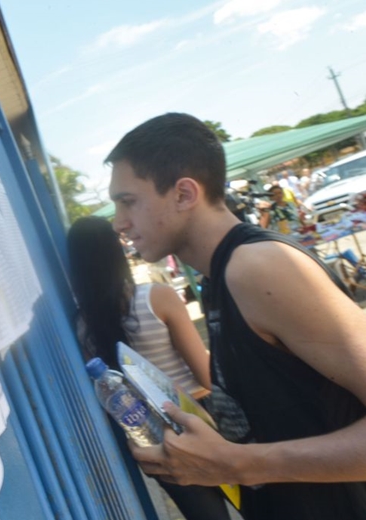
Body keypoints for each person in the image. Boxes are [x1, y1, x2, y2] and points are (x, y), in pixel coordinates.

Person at [105, 113, 366, 520]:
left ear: (184, 194)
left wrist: (237, 464)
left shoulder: (259, 267)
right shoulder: (219, 278)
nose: (119, 223)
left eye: (128, 202)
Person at [67, 216, 230, 520]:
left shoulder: (81, 325)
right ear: (116, 251)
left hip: (155, 437)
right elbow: (206, 375)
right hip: (201, 417)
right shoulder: (158, 297)